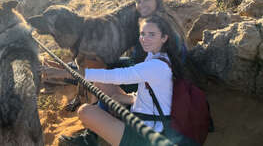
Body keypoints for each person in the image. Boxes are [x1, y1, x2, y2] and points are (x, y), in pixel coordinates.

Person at [59, 15, 184, 146]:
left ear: (164, 38)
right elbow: (154, 97)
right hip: (142, 115)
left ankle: (92, 139)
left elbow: (119, 75)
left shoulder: (156, 65)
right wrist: (125, 98)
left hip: (146, 136)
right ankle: (94, 135)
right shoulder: (156, 56)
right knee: (101, 84)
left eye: (151, 35)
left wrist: (62, 73)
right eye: (143, 34)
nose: (145, 39)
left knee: (85, 111)